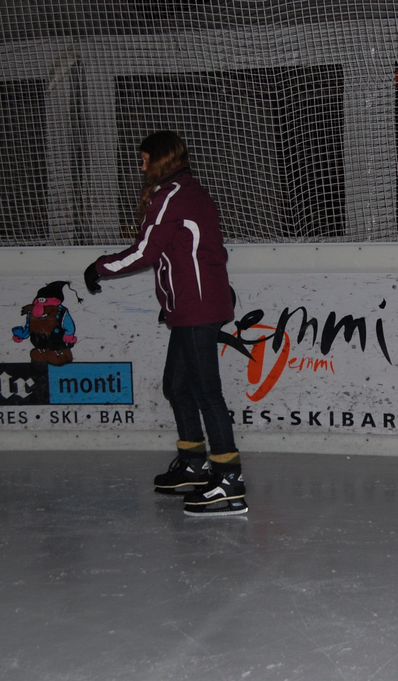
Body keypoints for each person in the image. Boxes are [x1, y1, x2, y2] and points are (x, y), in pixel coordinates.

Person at [83, 130, 247, 517]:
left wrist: (98, 267)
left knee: (207, 393)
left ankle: (229, 480)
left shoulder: (171, 196)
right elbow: (188, 252)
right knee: (177, 385)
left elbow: (145, 251)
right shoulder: (189, 191)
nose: (141, 168)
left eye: (144, 160)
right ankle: (193, 464)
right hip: (193, 304)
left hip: (197, 307)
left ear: (159, 160)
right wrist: (174, 299)